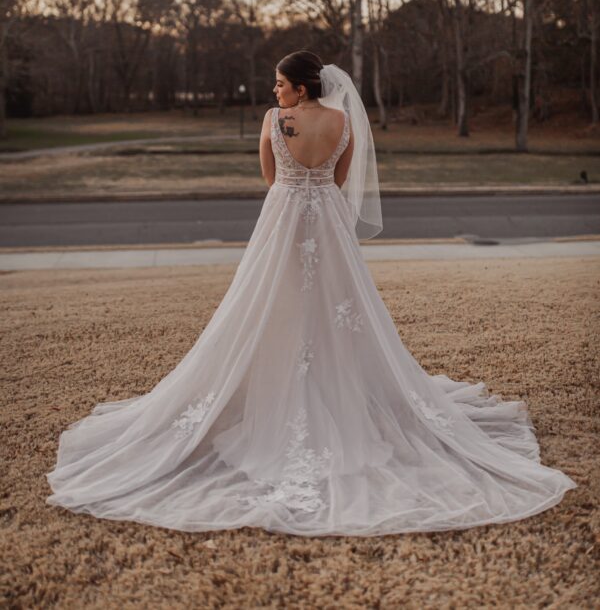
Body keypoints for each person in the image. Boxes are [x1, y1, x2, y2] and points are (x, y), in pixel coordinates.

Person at [46, 50, 577, 536]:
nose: (274, 92)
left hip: (281, 223)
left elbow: (269, 175)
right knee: (335, 310)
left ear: (301, 89)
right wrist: (314, 188)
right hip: (328, 225)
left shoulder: (275, 122)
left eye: (280, 84)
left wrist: (294, 185)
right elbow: (341, 181)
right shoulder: (344, 122)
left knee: (269, 308)